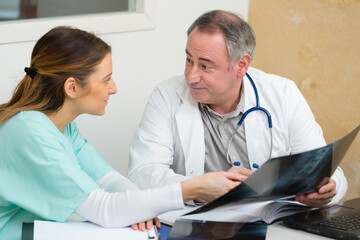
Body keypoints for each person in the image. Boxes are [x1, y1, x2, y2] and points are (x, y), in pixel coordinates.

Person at [0, 26, 243, 240]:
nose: (114, 88)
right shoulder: (30, 132)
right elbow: (103, 207)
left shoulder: (63, 127)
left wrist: (139, 207)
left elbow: (109, 180)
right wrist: (193, 189)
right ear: (72, 87)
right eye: (106, 80)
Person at [127, 10, 348, 207]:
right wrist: (200, 188)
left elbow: (323, 168)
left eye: (205, 66)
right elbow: (142, 173)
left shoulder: (283, 94)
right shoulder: (166, 96)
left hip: (272, 225)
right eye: (188, 60)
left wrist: (328, 188)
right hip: (198, 223)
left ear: (241, 65)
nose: (191, 76)